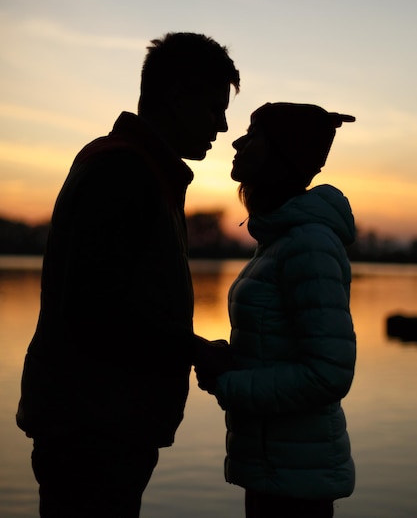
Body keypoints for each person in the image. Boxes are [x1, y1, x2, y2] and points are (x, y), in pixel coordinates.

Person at [16, 32, 240, 518]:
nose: (222, 126)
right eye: (213, 109)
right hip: (92, 427)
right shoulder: (123, 173)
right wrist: (197, 349)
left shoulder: (140, 170)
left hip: (104, 422)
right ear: (177, 97)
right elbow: (95, 308)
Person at [196, 102, 356, 518]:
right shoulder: (280, 240)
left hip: (297, 482)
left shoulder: (309, 244)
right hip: (276, 469)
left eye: (254, 135)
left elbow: (328, 374)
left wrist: (230, 383)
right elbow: (280, 349)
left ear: (280, 152)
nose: (238, 141)